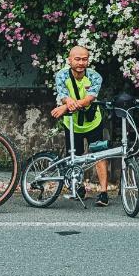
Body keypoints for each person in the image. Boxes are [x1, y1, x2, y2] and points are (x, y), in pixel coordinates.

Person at [52, 46, 109, 207]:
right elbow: (64, 97)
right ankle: (79, 187)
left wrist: (65, 107)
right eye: (77, 59)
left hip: (93, 122)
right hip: (72, 124)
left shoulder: (95, 77)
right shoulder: (62, 76)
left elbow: (89, 99)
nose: (81, 62)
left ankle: (103, 192)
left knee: (98, 155)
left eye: (84, 59)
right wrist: (66, 104)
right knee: (75, 157)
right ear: (69, 60)